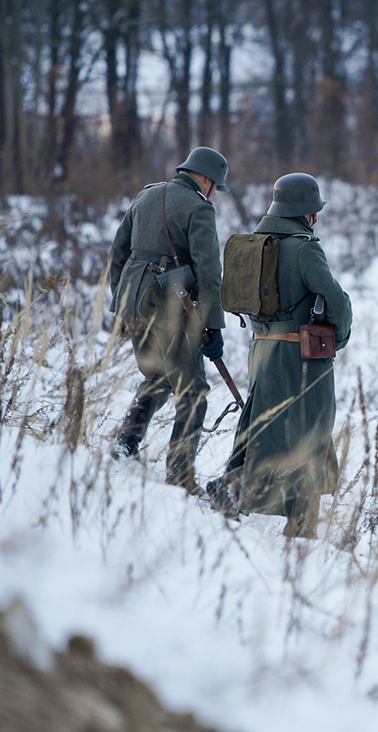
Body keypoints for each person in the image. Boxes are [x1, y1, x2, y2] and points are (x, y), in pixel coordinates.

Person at [219, 173, 352, 539]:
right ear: (307, 211)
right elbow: (335, 299)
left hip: (261, 349)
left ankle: (234, 487)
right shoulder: (304, 247)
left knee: (263, 425)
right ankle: (299, 525)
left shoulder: (257, 242)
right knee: (308, 432)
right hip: (299, 356)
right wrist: (340, 336)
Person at [108, 146, 230, 496]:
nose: (215, 195)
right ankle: (179, 475)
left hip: (134, 303)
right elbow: (209, 271)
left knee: (157, 375)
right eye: (215, 188)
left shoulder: (146, 195)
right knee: (193, 391)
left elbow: (118, 251)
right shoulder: (198, 208)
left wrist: (122, 298)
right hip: (169, 309)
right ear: (206, 180)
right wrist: (213, 325)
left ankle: (126, 442)